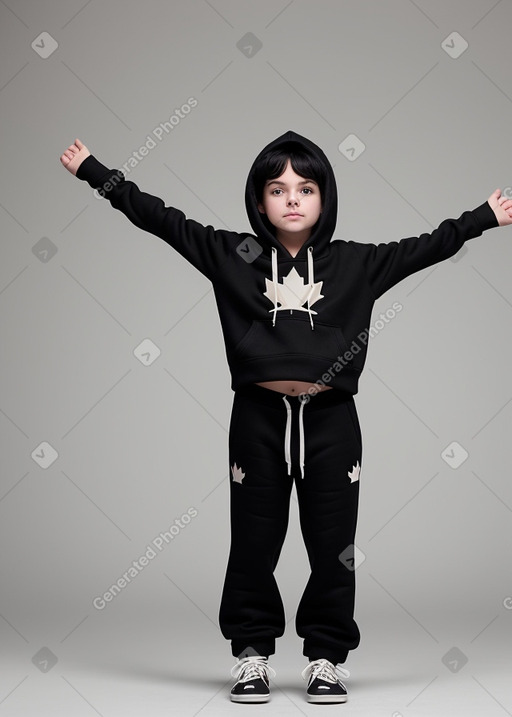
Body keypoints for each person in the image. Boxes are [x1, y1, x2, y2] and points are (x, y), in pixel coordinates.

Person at [60, 131, 512, 704]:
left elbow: (427, 246)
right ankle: (252, 655)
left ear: (325, 197)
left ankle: (326, 657)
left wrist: (483, 217)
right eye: (278, 189)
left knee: (333, 543)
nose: (292, 199)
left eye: (305, 187)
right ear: (259, 200)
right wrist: (94, 172)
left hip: (331, 421)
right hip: (257, 418)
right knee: (253, 540)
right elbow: (159, 218)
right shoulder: (232, 254)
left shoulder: (357, 263)